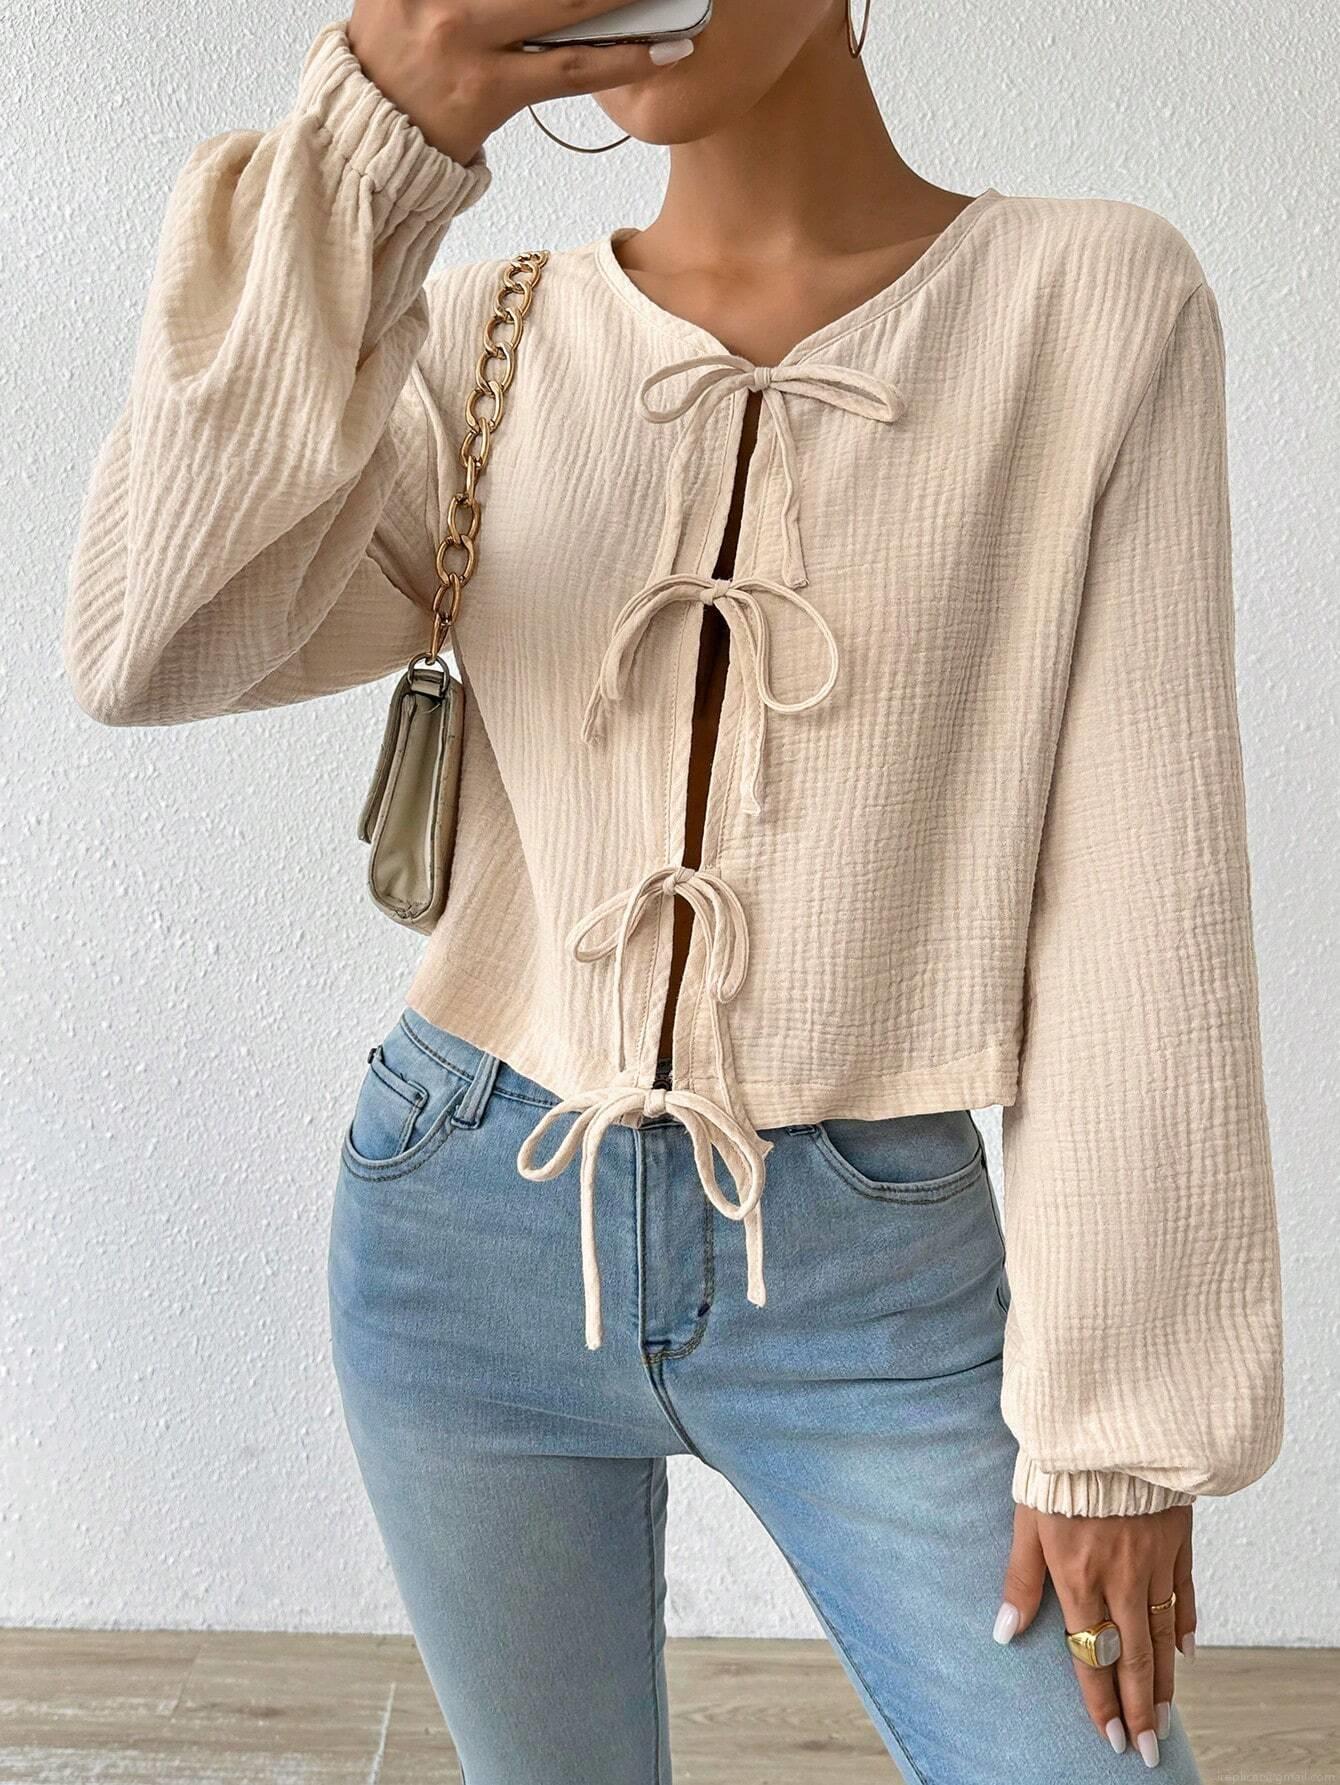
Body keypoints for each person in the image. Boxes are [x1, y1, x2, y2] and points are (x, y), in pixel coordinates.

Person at [61, 1, 1284, 1778]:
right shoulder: (485, 331)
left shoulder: (1091, 302)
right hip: (466, 1213)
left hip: (872, 1268)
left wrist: (1118, 1434)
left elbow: (1143, 905)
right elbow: (148, 639)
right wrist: (371, 152)